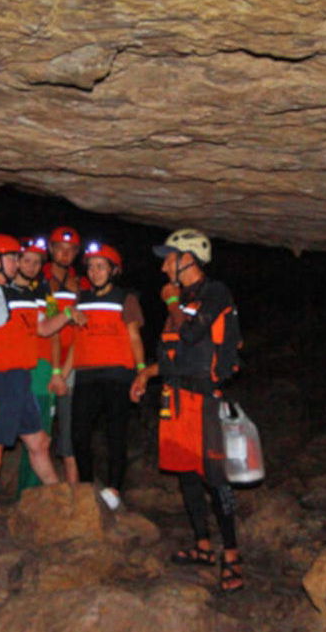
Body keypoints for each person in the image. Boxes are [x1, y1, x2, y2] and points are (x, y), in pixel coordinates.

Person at [130, 228, 245, 593]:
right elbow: (175, 354)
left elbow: (194, 335)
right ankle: (202, 545)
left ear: (188, 260)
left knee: (215, 476)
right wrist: (146, 374)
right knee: (186, 473)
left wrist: (170, 303)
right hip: (176, 398)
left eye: (169, 258)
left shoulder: (215, 293)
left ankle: (232, 557)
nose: (163, 266)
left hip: (205, 401)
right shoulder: (181, 299)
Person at [0, 234, 84, 535]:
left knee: (39, 442)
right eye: (13, 257)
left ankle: (61, 500)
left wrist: (68, 314)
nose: (18, 262)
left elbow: (43, 330)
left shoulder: (22, 293)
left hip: (21, 376)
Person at [68, 242, 145, 510]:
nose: (94, 271)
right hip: (86, 374)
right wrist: (62, 374)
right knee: (79, 433)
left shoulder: (126, 298)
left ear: (114, 270)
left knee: (116, 433)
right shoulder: (81, 300)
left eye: (101, 266)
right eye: (90, 266)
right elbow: (74, 343)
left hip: (118, 373)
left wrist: (141, 373)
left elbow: (134, 337)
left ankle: (114, 488)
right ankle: (88, 485)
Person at [43, 225, 88, 483]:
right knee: (40, 429)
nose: (64, 254)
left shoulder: (81, 283)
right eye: (59, 248)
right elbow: (49, 322)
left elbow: (83, 328)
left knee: (69, 430)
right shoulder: (39, 277)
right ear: (51, 249)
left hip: (71, 363)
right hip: (43, 361)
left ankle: (73, 491)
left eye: (70, 250)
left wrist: (65, 371)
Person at [14, 236, 58, 494]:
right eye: (26, 260)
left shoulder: (46, 293)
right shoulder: (4, 288)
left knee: (40, 434)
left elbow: (54, 332)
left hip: (41, 369)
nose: (31, 266)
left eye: (37, 262)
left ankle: (30, 492)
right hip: (12, 367)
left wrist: (55, 370)